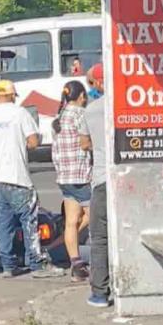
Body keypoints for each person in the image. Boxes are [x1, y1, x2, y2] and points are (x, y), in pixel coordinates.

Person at [0, 79, 65, 279]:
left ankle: (8, 265)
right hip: (18, 177)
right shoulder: (20, 113)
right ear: (11, 95)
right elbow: (33, 142)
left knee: (4, 223)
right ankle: (36, 263)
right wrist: (37, 138)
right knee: (29, 221)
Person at [51, 80, 93, 281]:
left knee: (70, 222)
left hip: (64, 177)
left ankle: (76, 265)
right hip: (81, 175)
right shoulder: (81, 115)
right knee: (95, 215)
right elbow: (87, 143)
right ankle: (84, 261)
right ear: (82, 96)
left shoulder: (58, 117)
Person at [83, 63, 112, 307]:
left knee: (100, 237)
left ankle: (100, 292)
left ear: (100, 83)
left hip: (103, 178)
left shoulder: (91, 110)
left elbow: (85, 144)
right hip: (130, 176)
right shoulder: (129, 104)